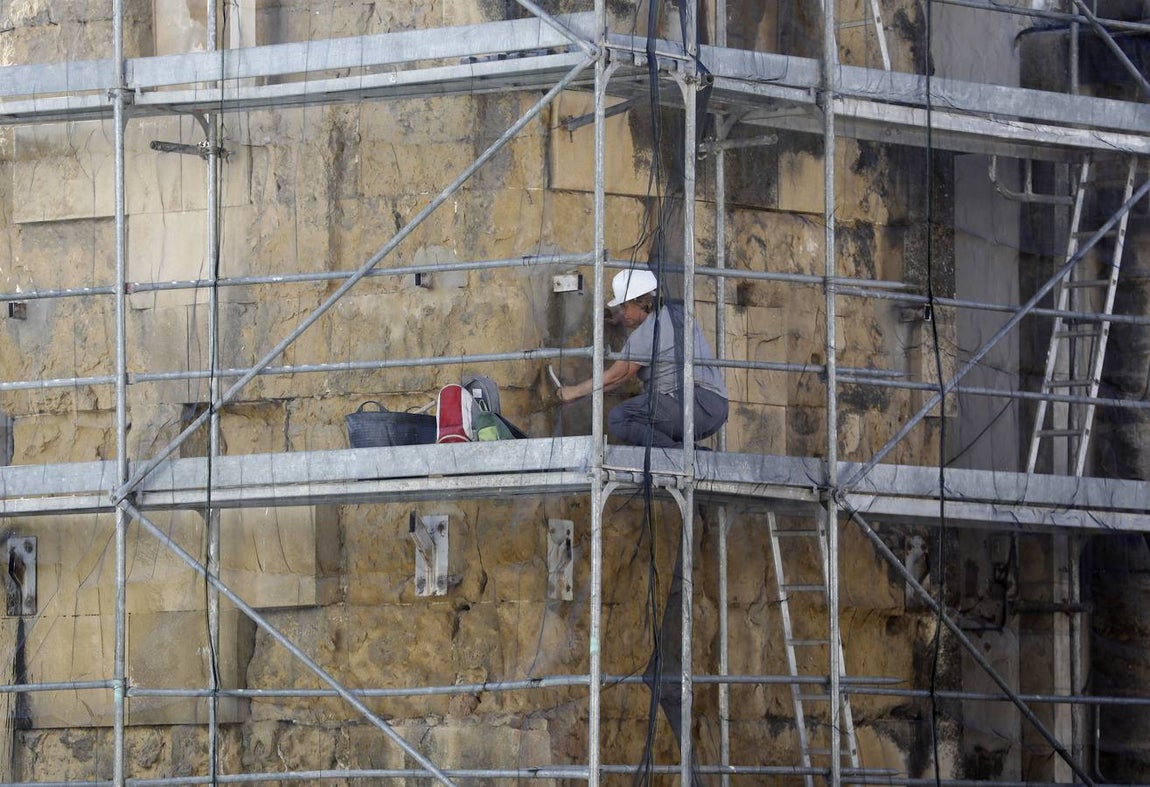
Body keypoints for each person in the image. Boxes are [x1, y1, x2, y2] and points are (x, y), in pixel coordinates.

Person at [557, 268, 729, 448]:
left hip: (694, 406)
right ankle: (689, 453)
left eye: (624, 306)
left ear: (638, 301)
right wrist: (622, 316)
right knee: (652, 425)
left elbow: (616, 377)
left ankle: (681, 456)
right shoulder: (676, 314)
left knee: (621, 418)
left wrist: (574, 392)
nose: (622, 312)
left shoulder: (648, 331)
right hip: (715, 407)